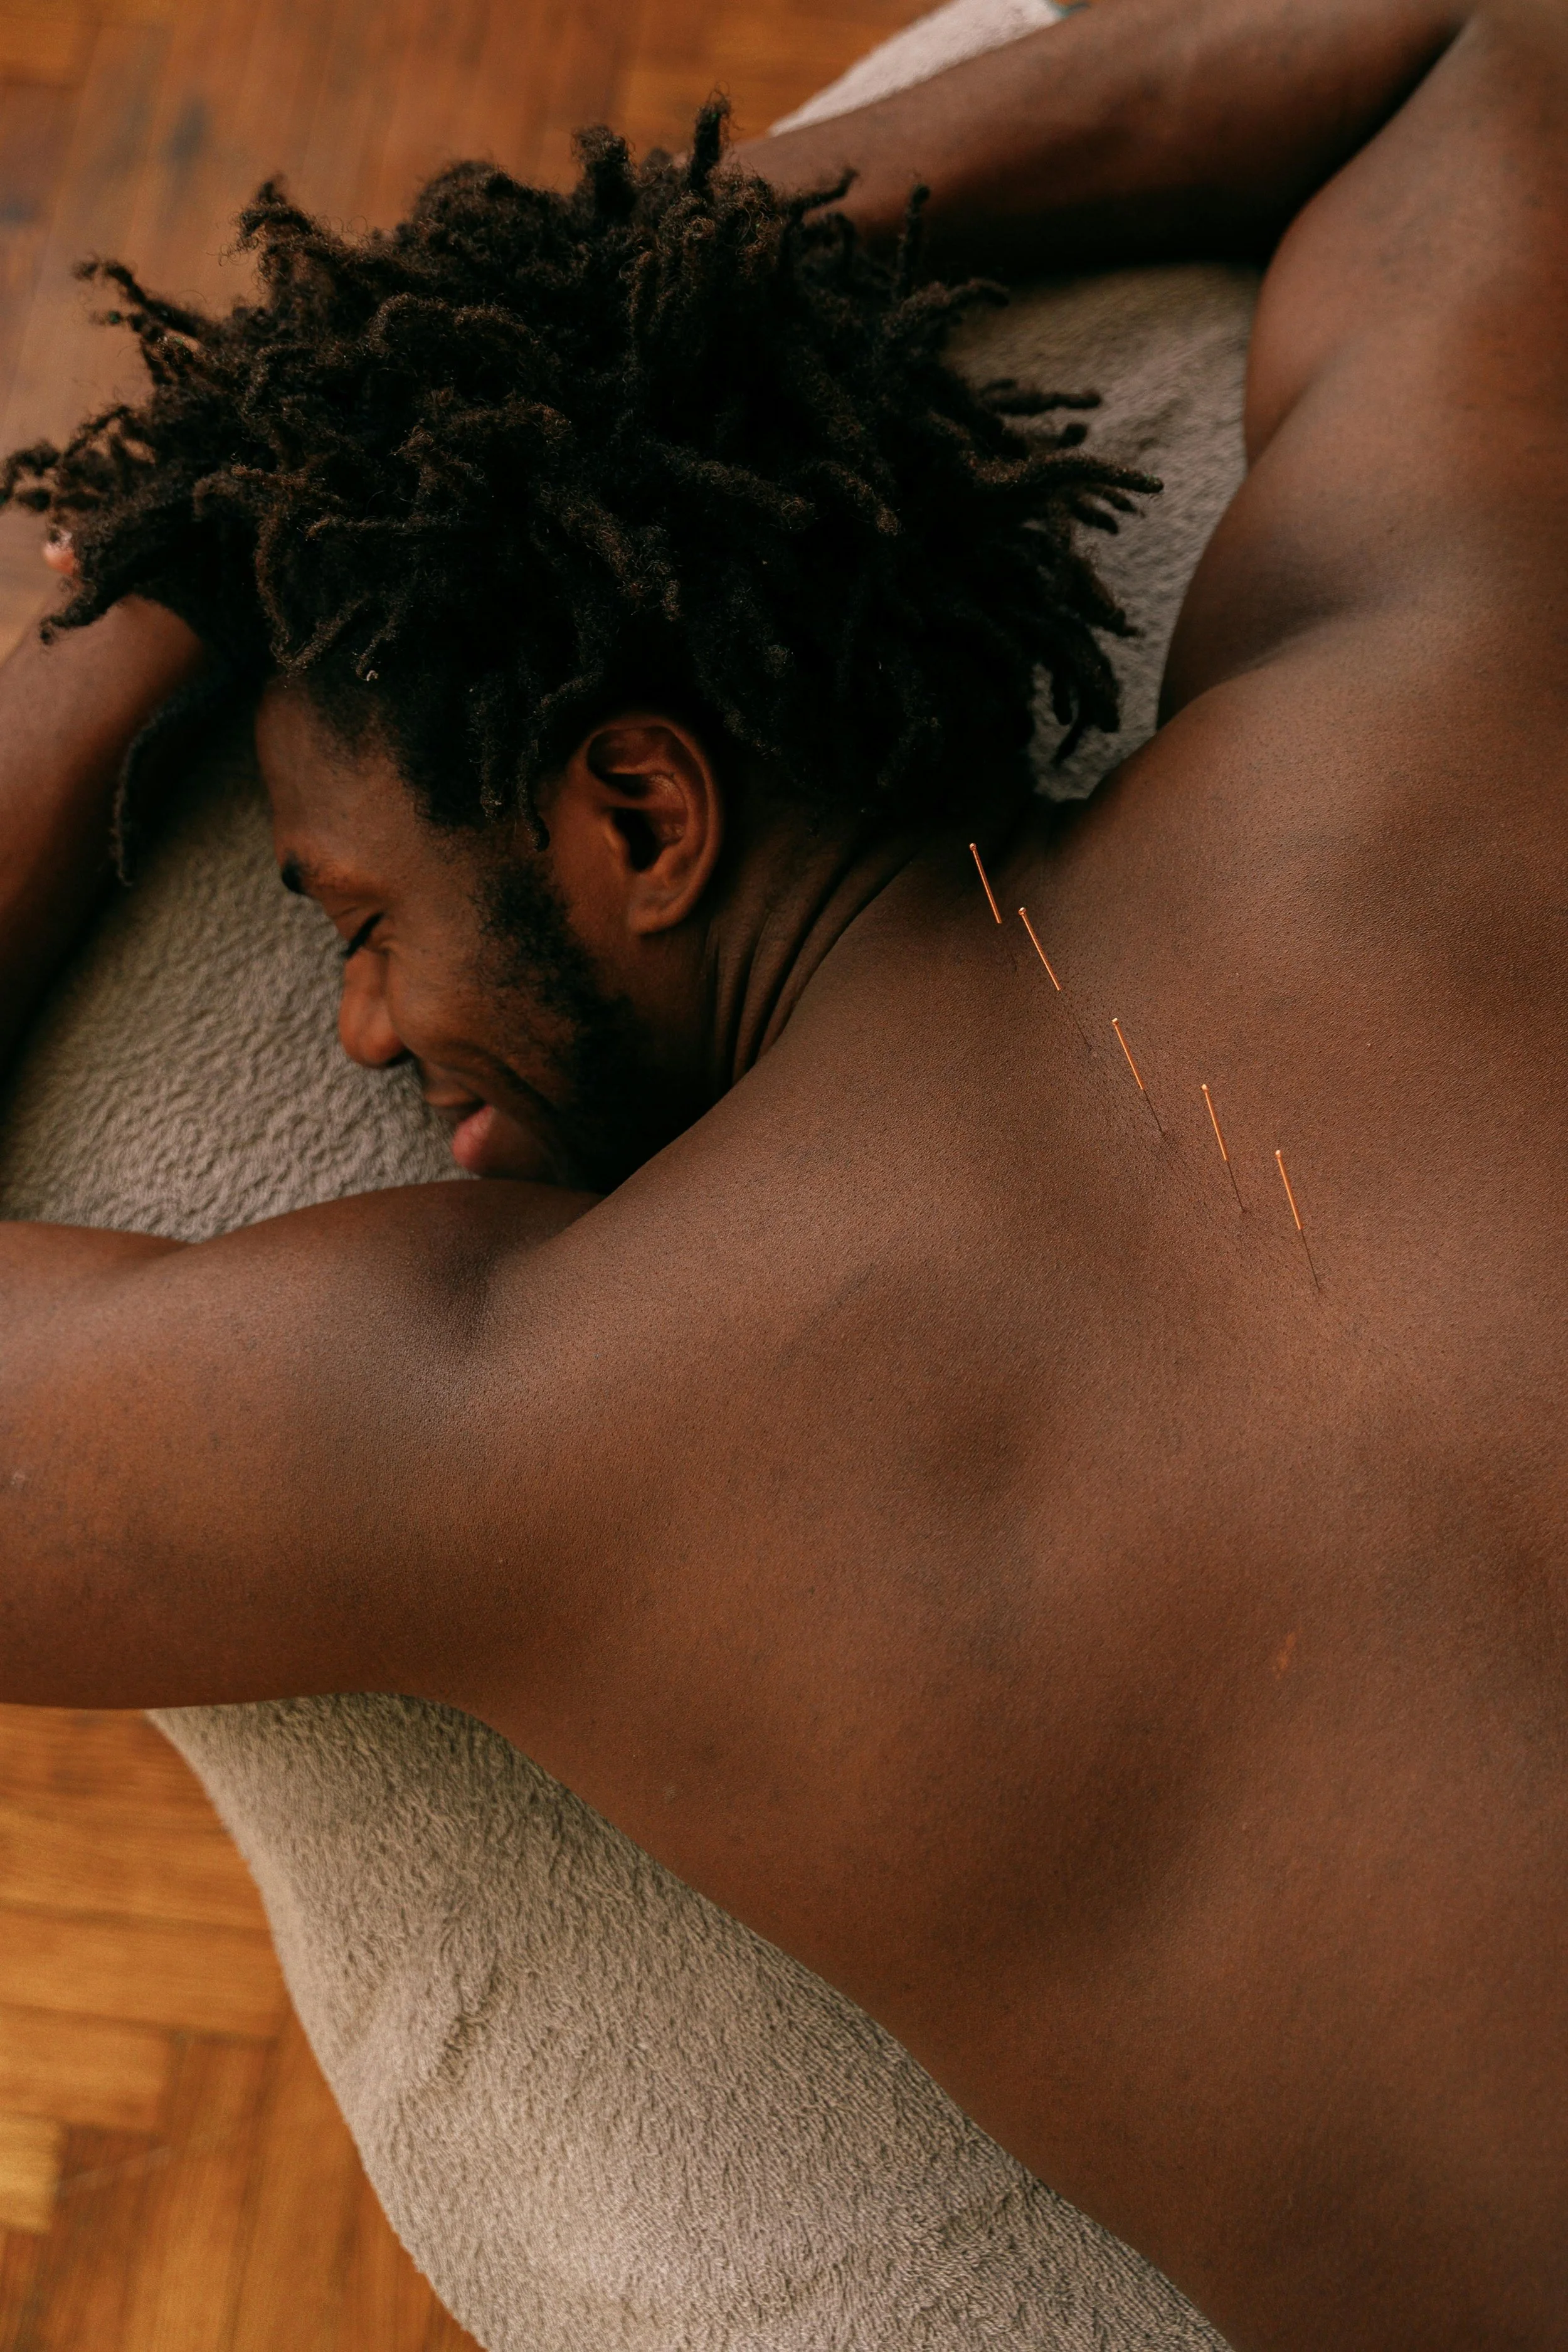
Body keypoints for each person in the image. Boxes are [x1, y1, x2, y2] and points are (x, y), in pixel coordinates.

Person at [1, 0, 1564, 2343]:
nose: (356, 1025)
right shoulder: (1413, 688)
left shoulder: (542, 1414)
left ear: (641, 813)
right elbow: (1490, 54)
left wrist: (150, 584)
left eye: (357, 921)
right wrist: (676, 267)